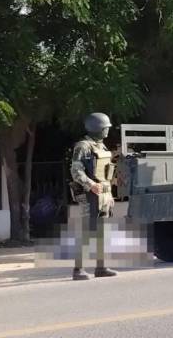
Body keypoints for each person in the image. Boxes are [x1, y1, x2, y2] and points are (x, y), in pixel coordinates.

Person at [69, 112, 117, 280]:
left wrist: (109, 193)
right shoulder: (83, 146)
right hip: (90, 194)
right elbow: (76, 171)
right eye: (105, 128)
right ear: (97, 128)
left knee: (103, 231)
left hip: (104, 194)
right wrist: (91, 185)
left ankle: (101, 267)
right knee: (87, 232)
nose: (107, 130)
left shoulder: (101, 146)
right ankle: (78, 270)